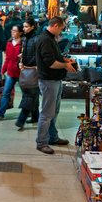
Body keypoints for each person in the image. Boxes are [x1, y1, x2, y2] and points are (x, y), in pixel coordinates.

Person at [35, 16, 76, 154]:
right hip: (48, 81)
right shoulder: (45, 39)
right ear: (56, 26)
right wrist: (66, 66)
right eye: (61, 29)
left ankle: (52, 137)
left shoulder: (50, 38)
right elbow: (50, 63)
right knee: (47, 113)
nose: (61, 32)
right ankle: (41, 142)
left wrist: (64, 59)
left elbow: (54, 57)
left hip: (54, 80)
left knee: (53, 112)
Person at [0, 24, 23, 121]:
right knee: (6, 92)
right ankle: (0, 113)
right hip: (10, 72)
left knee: (26, 94)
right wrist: (3, 70)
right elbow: (8, 58)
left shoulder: (23, 43)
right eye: (12, 31)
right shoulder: (9, 43)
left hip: (21, 72)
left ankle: (28, 111)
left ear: (20, 33)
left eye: (15, 31)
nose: (12, 32)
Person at [16, 18, 40, 130]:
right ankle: (36, 117)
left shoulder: (36, 39)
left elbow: (38, 55)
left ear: (32, 27)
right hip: (26, 70)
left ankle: (21, 120)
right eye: (24, 26)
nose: (24, 29)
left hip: (33, 71)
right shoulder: (25, 39)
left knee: (30, 96)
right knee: (32, 95)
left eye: (26, 26)